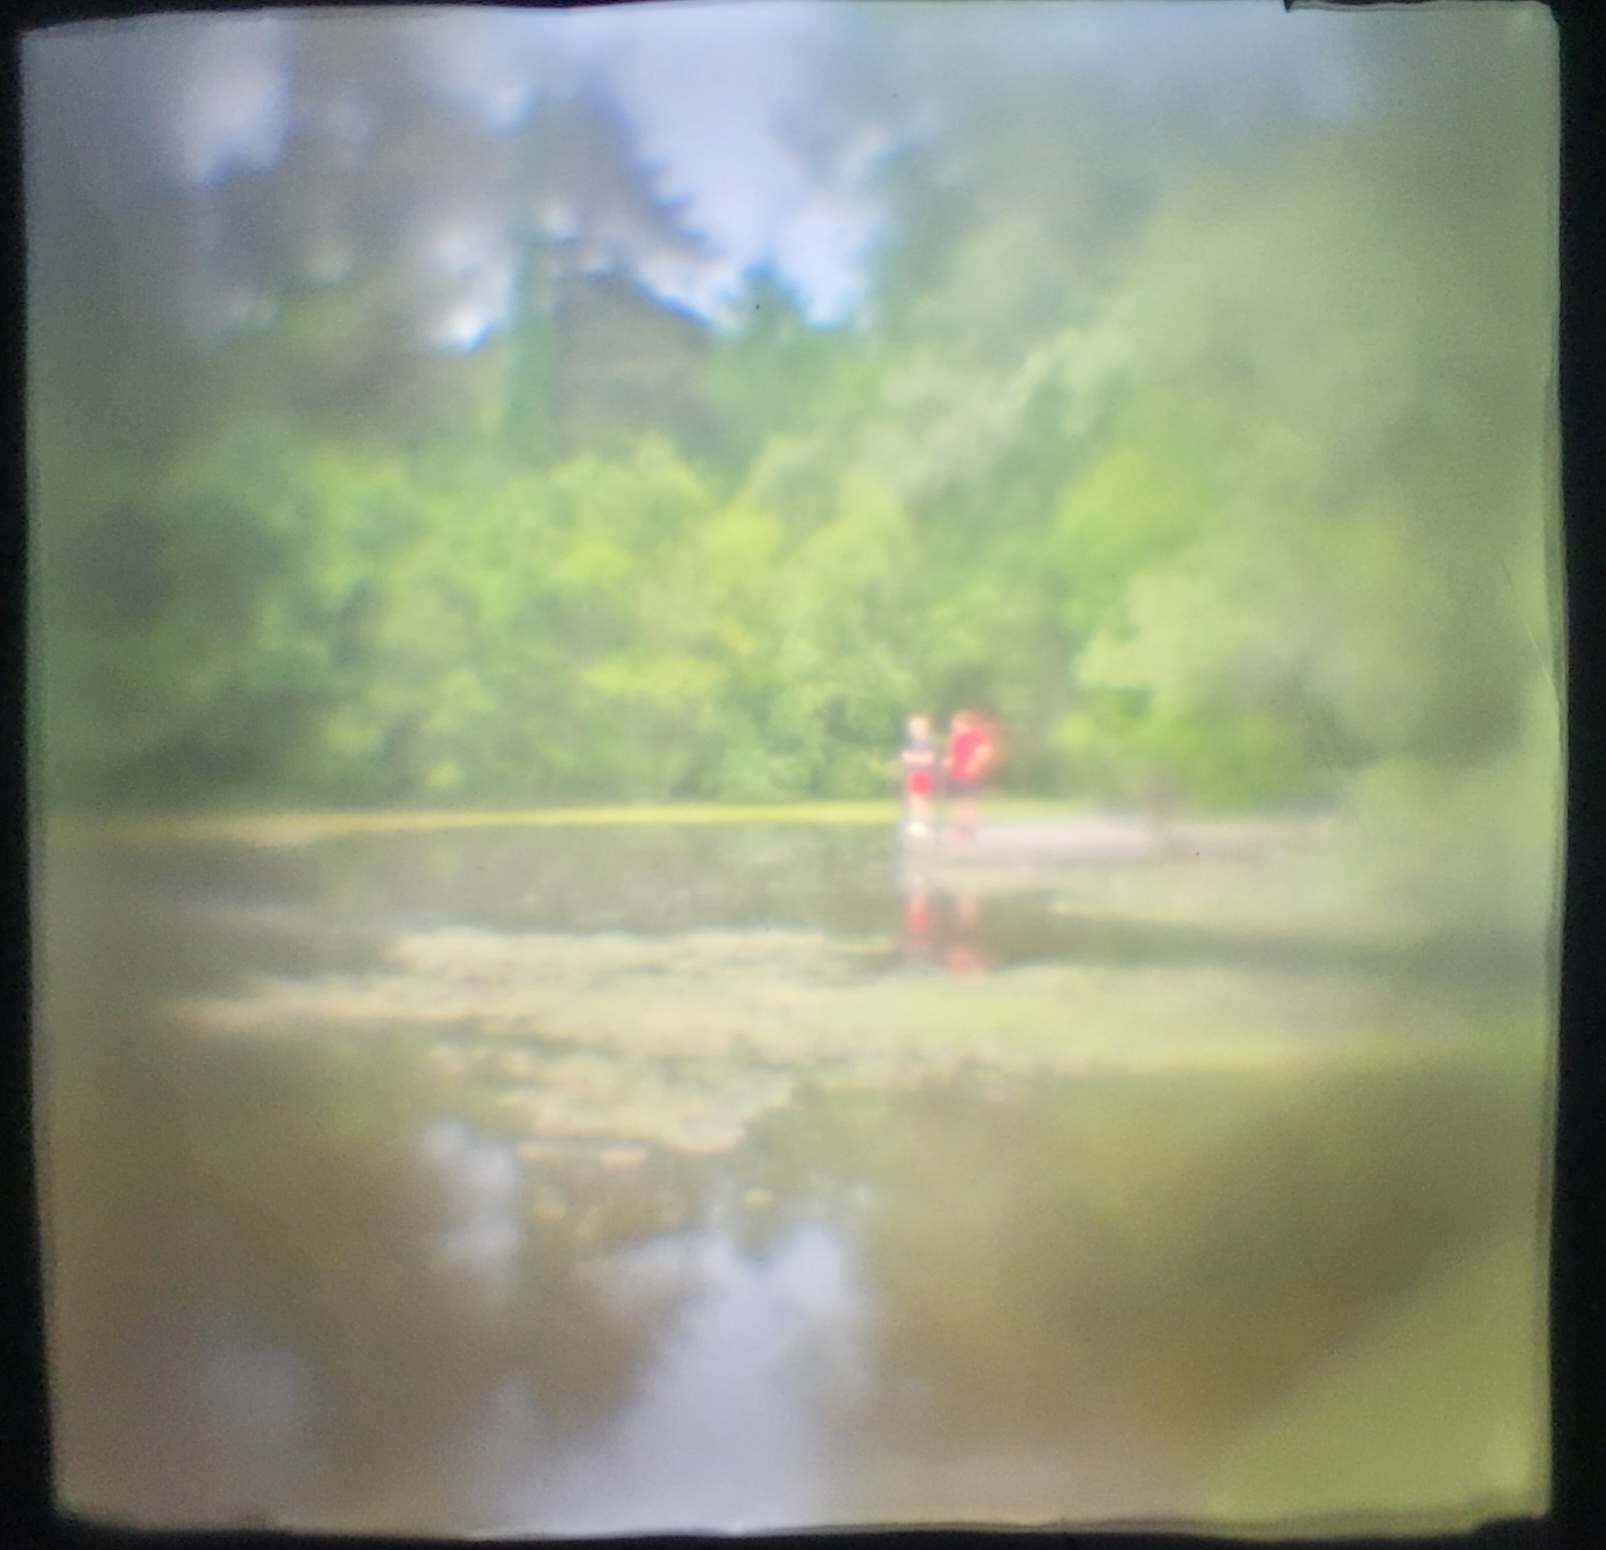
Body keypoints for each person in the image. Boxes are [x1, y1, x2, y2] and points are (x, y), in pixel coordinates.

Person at [944, 710, 995, 841]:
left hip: (969, 774)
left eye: (956, 723)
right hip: (957, 773)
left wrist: (973, 765)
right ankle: (961, 829)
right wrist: (949, 762)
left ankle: (970, 830)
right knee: (961, 802)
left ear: (963, 723)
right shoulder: (955, 737)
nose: (954, 725)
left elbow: (985, 750)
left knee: (969, 802)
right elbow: (953, 754)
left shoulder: (974, 734)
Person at [900, 713, 937, 836]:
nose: (912, 731)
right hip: (915, 774)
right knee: (915, 799)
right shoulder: (915, 742)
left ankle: (923, 824)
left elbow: (929, 759)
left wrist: (911, 758)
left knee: (920, 800)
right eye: (911, 728)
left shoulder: (926, 742)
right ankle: (919, 822)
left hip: (923, 774)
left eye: (915, 728)